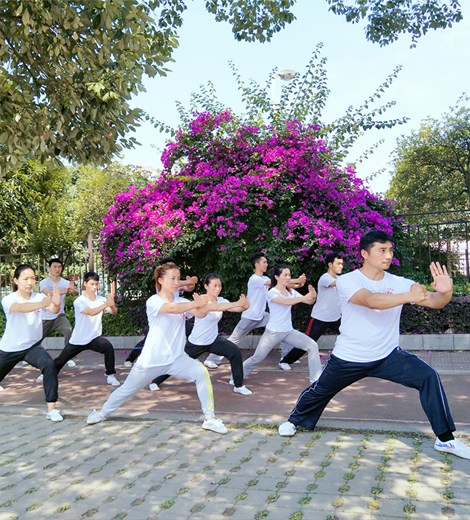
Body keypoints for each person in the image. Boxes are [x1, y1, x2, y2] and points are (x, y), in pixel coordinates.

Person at [278, 230, 470, 460]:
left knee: (428, 377)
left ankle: (446, 440)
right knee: (319, 391)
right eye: (382, 250)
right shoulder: (347, 280)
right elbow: (370, 300)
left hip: (388, 356)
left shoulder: (400, 283)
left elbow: (435, 301)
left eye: (390, 250)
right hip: (349, 357)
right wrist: (408, 296)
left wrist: (446, 292)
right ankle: (294, 420)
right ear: (364, 254)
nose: (388, 255)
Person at [86, 263, 228, 434]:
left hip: (176, 358)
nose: (176, 282)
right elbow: (171, 309)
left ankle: (210, 420)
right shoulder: (154, 301)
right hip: (151, 361)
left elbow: (200, 314)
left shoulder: (183, 301)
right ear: (160, 281)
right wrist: (194, 304)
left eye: (178, 278)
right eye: (172, 278)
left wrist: (202, 305)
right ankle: (102, 413)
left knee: (201, 373)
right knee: (126, 390)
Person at [153, 273, 252, 395]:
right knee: (177, 363)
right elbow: (215, 307)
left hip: (213, 340)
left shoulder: (222, 300)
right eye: (214, 285)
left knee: (235, 352)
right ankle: (154, 381)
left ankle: (238, 385)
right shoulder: (201, 301)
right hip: (197, 342)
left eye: (220, 285)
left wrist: (245, 306)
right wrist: (237, 303)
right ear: (206, 286)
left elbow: (234, 308)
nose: (218, 288)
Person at [204, 252, 305, 369]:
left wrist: (298, 285)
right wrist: (297, 279)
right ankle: (211, 359)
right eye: (264, 262)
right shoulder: (254, 279)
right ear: (257, 265)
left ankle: (286, 358)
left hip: (262, 316)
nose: (266, 264)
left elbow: (281, 284)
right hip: (250, 316)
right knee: (234, 339)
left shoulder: (265, 278)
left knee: (282, 328)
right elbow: (275, 282)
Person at [0, 264, 63, 421]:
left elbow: (54, 310)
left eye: (33, 278)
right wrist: (43, 303)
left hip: (32, 347)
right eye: (25, 279)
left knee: (49, 366)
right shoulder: (8, 299)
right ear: (16, 280)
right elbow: (21, 308)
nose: (30, 282)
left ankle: (52, 410)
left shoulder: (39, 297)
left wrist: (56, 303)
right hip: (10, 348)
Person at [241, 264, 322, 384]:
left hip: (288, 332)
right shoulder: (271, 292)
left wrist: (313, 297)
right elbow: (285, 302)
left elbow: (309, 302)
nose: (288, 277)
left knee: (312, 346)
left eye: (289, 275)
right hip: (272, 333)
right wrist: (305, 297)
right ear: (277, 277)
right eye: (285, 275)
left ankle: (316, 379)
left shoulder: (291, 291)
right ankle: (237, 376)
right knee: (257, 357)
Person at [52, 271, 120, 386]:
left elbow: (114, 312)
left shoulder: (101, 299)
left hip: (94, 337)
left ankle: (110, 375)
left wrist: (111, 305)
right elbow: (91, 312)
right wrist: (106, 304)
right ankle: (48, 372)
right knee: (61, 360)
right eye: (92, 284)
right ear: (85, 283)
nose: (94, 287)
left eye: (96, 284)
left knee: (108, 347)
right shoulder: (79, 301)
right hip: (79, 338)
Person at [279, 252, 343, 369]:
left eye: (341, 264)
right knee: (308, 342)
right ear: (330, 265)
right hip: (320, 318)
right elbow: (340, 283)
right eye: (338, 264)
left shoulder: (340, 279)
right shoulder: (325, 278)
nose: (341, 266)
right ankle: (285, 361)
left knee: (349, 335)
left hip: (336, 318)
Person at [39, 258, 78, 373]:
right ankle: (26, 355)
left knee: (68, 331)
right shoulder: (44, 282)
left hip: (59, 316)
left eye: (59, 267)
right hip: (45, 316)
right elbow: (47, 292)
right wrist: (60, 291)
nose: (57, 269)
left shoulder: (65, 283)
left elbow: (75, 293)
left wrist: (73, 291)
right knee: (36, 338)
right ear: (49, 268)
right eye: (55, 267)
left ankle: (68, 358)